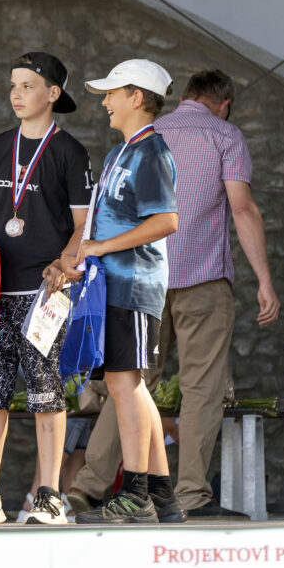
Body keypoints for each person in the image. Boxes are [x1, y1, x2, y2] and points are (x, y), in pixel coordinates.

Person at [0, 51, 93, 525]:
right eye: (13, 85)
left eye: (27, 85)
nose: (16, 94)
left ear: (53, 93)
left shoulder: (70, 152)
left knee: (45, 390)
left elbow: (83, 225)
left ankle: (49, 495)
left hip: (45, 293)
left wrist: (63, 264)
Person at [154, 69, 280, 515]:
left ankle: (96, 488)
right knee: (201, 390)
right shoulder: (225, 135)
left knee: (131, 384)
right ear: (224, 104)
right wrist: (264, 280)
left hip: (144, 279)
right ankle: (190, 494)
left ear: (185, 97)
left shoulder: (149, 132)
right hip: (202, 279)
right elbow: (242, 210)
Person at [66, 59, 184, 524]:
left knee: (124, 384)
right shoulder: (123, 151)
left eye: (112, 93)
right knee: (129, 386)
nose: (105, 102)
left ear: (137, 97)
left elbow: (166, 221)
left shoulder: (150, 151)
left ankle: (136, 494)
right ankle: (162, 498)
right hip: (114, 286)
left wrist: (100, 247)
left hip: (133, 285)